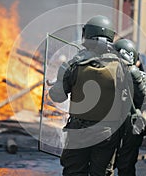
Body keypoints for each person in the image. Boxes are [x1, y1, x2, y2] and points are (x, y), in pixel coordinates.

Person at [49, 15, 131, 175]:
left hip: (78, 132)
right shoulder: (121, 66)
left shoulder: (73, 65)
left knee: (74, 172)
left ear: (87, 36)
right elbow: (129, 99)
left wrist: (60, 78)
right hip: (107, 133)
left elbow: (57, 96)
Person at [112, 38, 146, 176]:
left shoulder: (106, 72)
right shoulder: (138, 75)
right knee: (125, 164)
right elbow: (145, 98)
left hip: (121, 123)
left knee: (108, 162)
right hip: (129, 124)